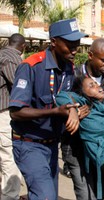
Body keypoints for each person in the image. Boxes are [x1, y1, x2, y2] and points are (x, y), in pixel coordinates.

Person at [8, 18, 88, 200]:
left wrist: (78, 111)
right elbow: (16, 112)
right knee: (46, 196)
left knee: (46, 195)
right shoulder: (31, 67)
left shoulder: (69, 67)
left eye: (77, 44)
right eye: (70, 44)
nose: (75, 49)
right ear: (53, 42)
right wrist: (55, 112)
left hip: (52, 145)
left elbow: (68, 99)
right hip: (29, 145)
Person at [60, 38, 104, 200]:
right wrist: (73, 112)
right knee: (85, 194)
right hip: (76, 148)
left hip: (102, 147)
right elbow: (59, 103)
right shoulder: (72, 77)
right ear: (90, 55)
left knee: (101, 191)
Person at [0, 33, 25, 200]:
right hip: (4, 114)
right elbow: (19, 86)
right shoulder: (11, 58)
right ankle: (10, 196)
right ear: (23, 47)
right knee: (10, 158)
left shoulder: (2, 54)